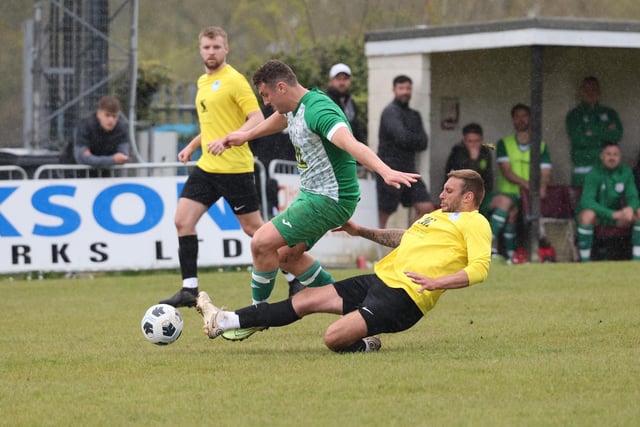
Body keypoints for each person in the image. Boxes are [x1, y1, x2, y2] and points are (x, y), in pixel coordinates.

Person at [207, 59, 420, 341]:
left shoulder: (320, 110)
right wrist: (247, 134)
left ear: (281, 87)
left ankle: (255, 316)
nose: (266, 102)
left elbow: (350, 142)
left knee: (261, 242)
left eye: (266, 95)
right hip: (315, 195)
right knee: (286, 257)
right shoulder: (297, 106)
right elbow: (282, 118)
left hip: (329, 199)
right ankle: (355, 316)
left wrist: (384, 170)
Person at [195, 169, 491, 352]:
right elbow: (405, 238)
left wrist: (438, 282)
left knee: (333, 338)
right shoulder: (436, 216)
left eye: (448, 191)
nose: (440, 194)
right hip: (377, 281)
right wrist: (360, 231)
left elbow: (479, 269)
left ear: (468, 197)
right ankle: (224, 320)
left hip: (405, 298)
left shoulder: (475, 223)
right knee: (306, 299)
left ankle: (367, 343)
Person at [159, 27, 303, 308]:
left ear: (226, 48)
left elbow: (256, 118)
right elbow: (211, 124)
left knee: (256, 231)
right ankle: (189, 289)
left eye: (216, 47)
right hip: (207, 167)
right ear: (200, 50)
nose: (211, 52)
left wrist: (231, 139)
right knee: (182, 221)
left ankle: (294, 280)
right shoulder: (202, 81)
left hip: (234, 168)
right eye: (206, 47)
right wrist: (193, 145)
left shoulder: (235, 80)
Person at [483, 103, 552, 259]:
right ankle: (488, 247)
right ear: (513, 120)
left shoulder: (540, 145)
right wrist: (527, 185)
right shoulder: (504, 143)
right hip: (510, 192)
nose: (521, 120)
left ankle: (511, 254)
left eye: (524, 116)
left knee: (512, 213)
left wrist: (541, 186)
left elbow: (546, 171)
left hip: (531, 197)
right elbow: (506, 171)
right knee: (507, 207)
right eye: (517, 117)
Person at [377, 74, 436, 229]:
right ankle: (376, 251)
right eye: (401, 88)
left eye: (408, 88)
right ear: (394, 90)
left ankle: (408, 242)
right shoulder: (390, 112)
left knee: (426, 208)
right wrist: (410, 138)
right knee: (383, 216)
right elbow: (401, 137)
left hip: (409, 171)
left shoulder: (414, 115)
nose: (405, 92)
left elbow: (423, 142)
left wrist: (407, 138)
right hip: (389, 170)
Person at [575, 142, 640, 262]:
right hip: (598, 217)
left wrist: (630, 208)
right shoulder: (594, 173)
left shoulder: (625, 172)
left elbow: (633, 196)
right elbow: (587, 201)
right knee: (587, 215)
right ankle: (584, 261)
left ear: (620, 157)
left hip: (616, 217)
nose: (612, 157)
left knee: (639, 212)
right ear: (602, 156)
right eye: (608, 154)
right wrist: (611, 213)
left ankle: (637, 260)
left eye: (615, 154)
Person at [566, 76, 623, 187]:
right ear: (581, 91)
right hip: (583, 171)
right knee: (585, 203)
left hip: (608, 169)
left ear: (599, 92)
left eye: (594, 89)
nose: (590, 92)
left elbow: (617, 135)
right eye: (586, 89)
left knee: (609, 203)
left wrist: (591, 132)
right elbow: (578, 139)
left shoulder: (610, 113)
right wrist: (605, 132)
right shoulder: (574, 115)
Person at [66, 95, 130, 177]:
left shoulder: (121, 128)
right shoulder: (85, 125)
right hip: (73, 174)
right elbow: (82, 158)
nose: (111, 120)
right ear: (98, 114)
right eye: (107, 115)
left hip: (104, 174)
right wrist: (112, 159)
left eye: (114, 116)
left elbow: (123, 156)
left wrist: (95, 159)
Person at [444, 122, 494, 194]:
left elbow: (488, 177)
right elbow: (466, 177)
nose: (474, 145)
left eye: (477, 141)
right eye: (470, 141)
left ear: (482, 140)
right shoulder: (457, 152)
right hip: (459, 192)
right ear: (464, 141)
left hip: (481, 193)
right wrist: (473, 159)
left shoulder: (485, 152)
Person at [326, 63, 366, 144]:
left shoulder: (350, 102)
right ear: (331, 81)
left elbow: (356, 128)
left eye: (345, 79)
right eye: (338, 79)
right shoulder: (326, 102)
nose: (342, 82)